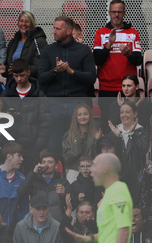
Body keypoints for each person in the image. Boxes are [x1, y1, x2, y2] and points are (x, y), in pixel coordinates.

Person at [38, 16, 96, 157]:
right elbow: (41, 78)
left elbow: (91, 78)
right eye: (54, 28)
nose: (54, 31)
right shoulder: (48, 51)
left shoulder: (84, 51)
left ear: (69, 31)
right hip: (54, 104)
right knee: (54, 145)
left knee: (77, 145)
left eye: (58, 28)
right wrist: (56, 71)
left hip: (77, 104)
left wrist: (72, 72)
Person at [93, 0, 142, 130]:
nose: (116, 15)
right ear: (109, 13)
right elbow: (97, 60)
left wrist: (128, 55)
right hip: (107, 88)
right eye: (114, 12)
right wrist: (109, 44)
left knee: (129, 126)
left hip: (127, 89)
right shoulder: (101, 32)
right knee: (108, 125)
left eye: (119, 12)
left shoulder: (133, 33)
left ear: (124, 13)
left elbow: (138, 60)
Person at [1, 58, 50, 163]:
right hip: (11, 145)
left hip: (32, 147)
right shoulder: (7, 93)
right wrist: (7, 115)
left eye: (22, 75)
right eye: (16, 76)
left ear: (29, 72)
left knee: (31, 177)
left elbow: (45, 123)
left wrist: (37, 146)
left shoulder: (39, 94)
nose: (19, 79)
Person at [0, 141, 28, 231]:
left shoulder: (22, 179)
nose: (22, 159)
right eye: (19, 156)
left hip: (15, 231)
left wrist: (22, 228)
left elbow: (24, 207)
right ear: (9, 156)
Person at [18, 152, 69, 223]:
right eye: (43, 162)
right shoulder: (34, 180)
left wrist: (64, 194)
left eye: (50, 162)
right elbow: (20, 192)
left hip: (57, 224)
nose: (46, 165)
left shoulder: (63, 182)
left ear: (56, 165)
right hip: (37, 224)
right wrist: (33, 172)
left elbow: (72, 205)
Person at [0, 11, 47, 80]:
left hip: (30, 84)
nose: (23, 24)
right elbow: (8, 66)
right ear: (18, 23)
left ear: (32, 24)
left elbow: (39, 66)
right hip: (12, 84)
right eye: (21, 21)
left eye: (27, 21)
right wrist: (5, 69)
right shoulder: (13, 42)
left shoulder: (39, 41)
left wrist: (19, 69)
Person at [62, 103, 101, 182]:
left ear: (90, 116)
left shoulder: (96, 134)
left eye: (85, 114)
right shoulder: (69, 136)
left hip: (92, 170)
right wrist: (79, 141)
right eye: (79, 115)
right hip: (74, 169)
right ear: (76, 118)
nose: (82, 117)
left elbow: (98, 157)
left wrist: (96, 141)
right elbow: (67, 159)